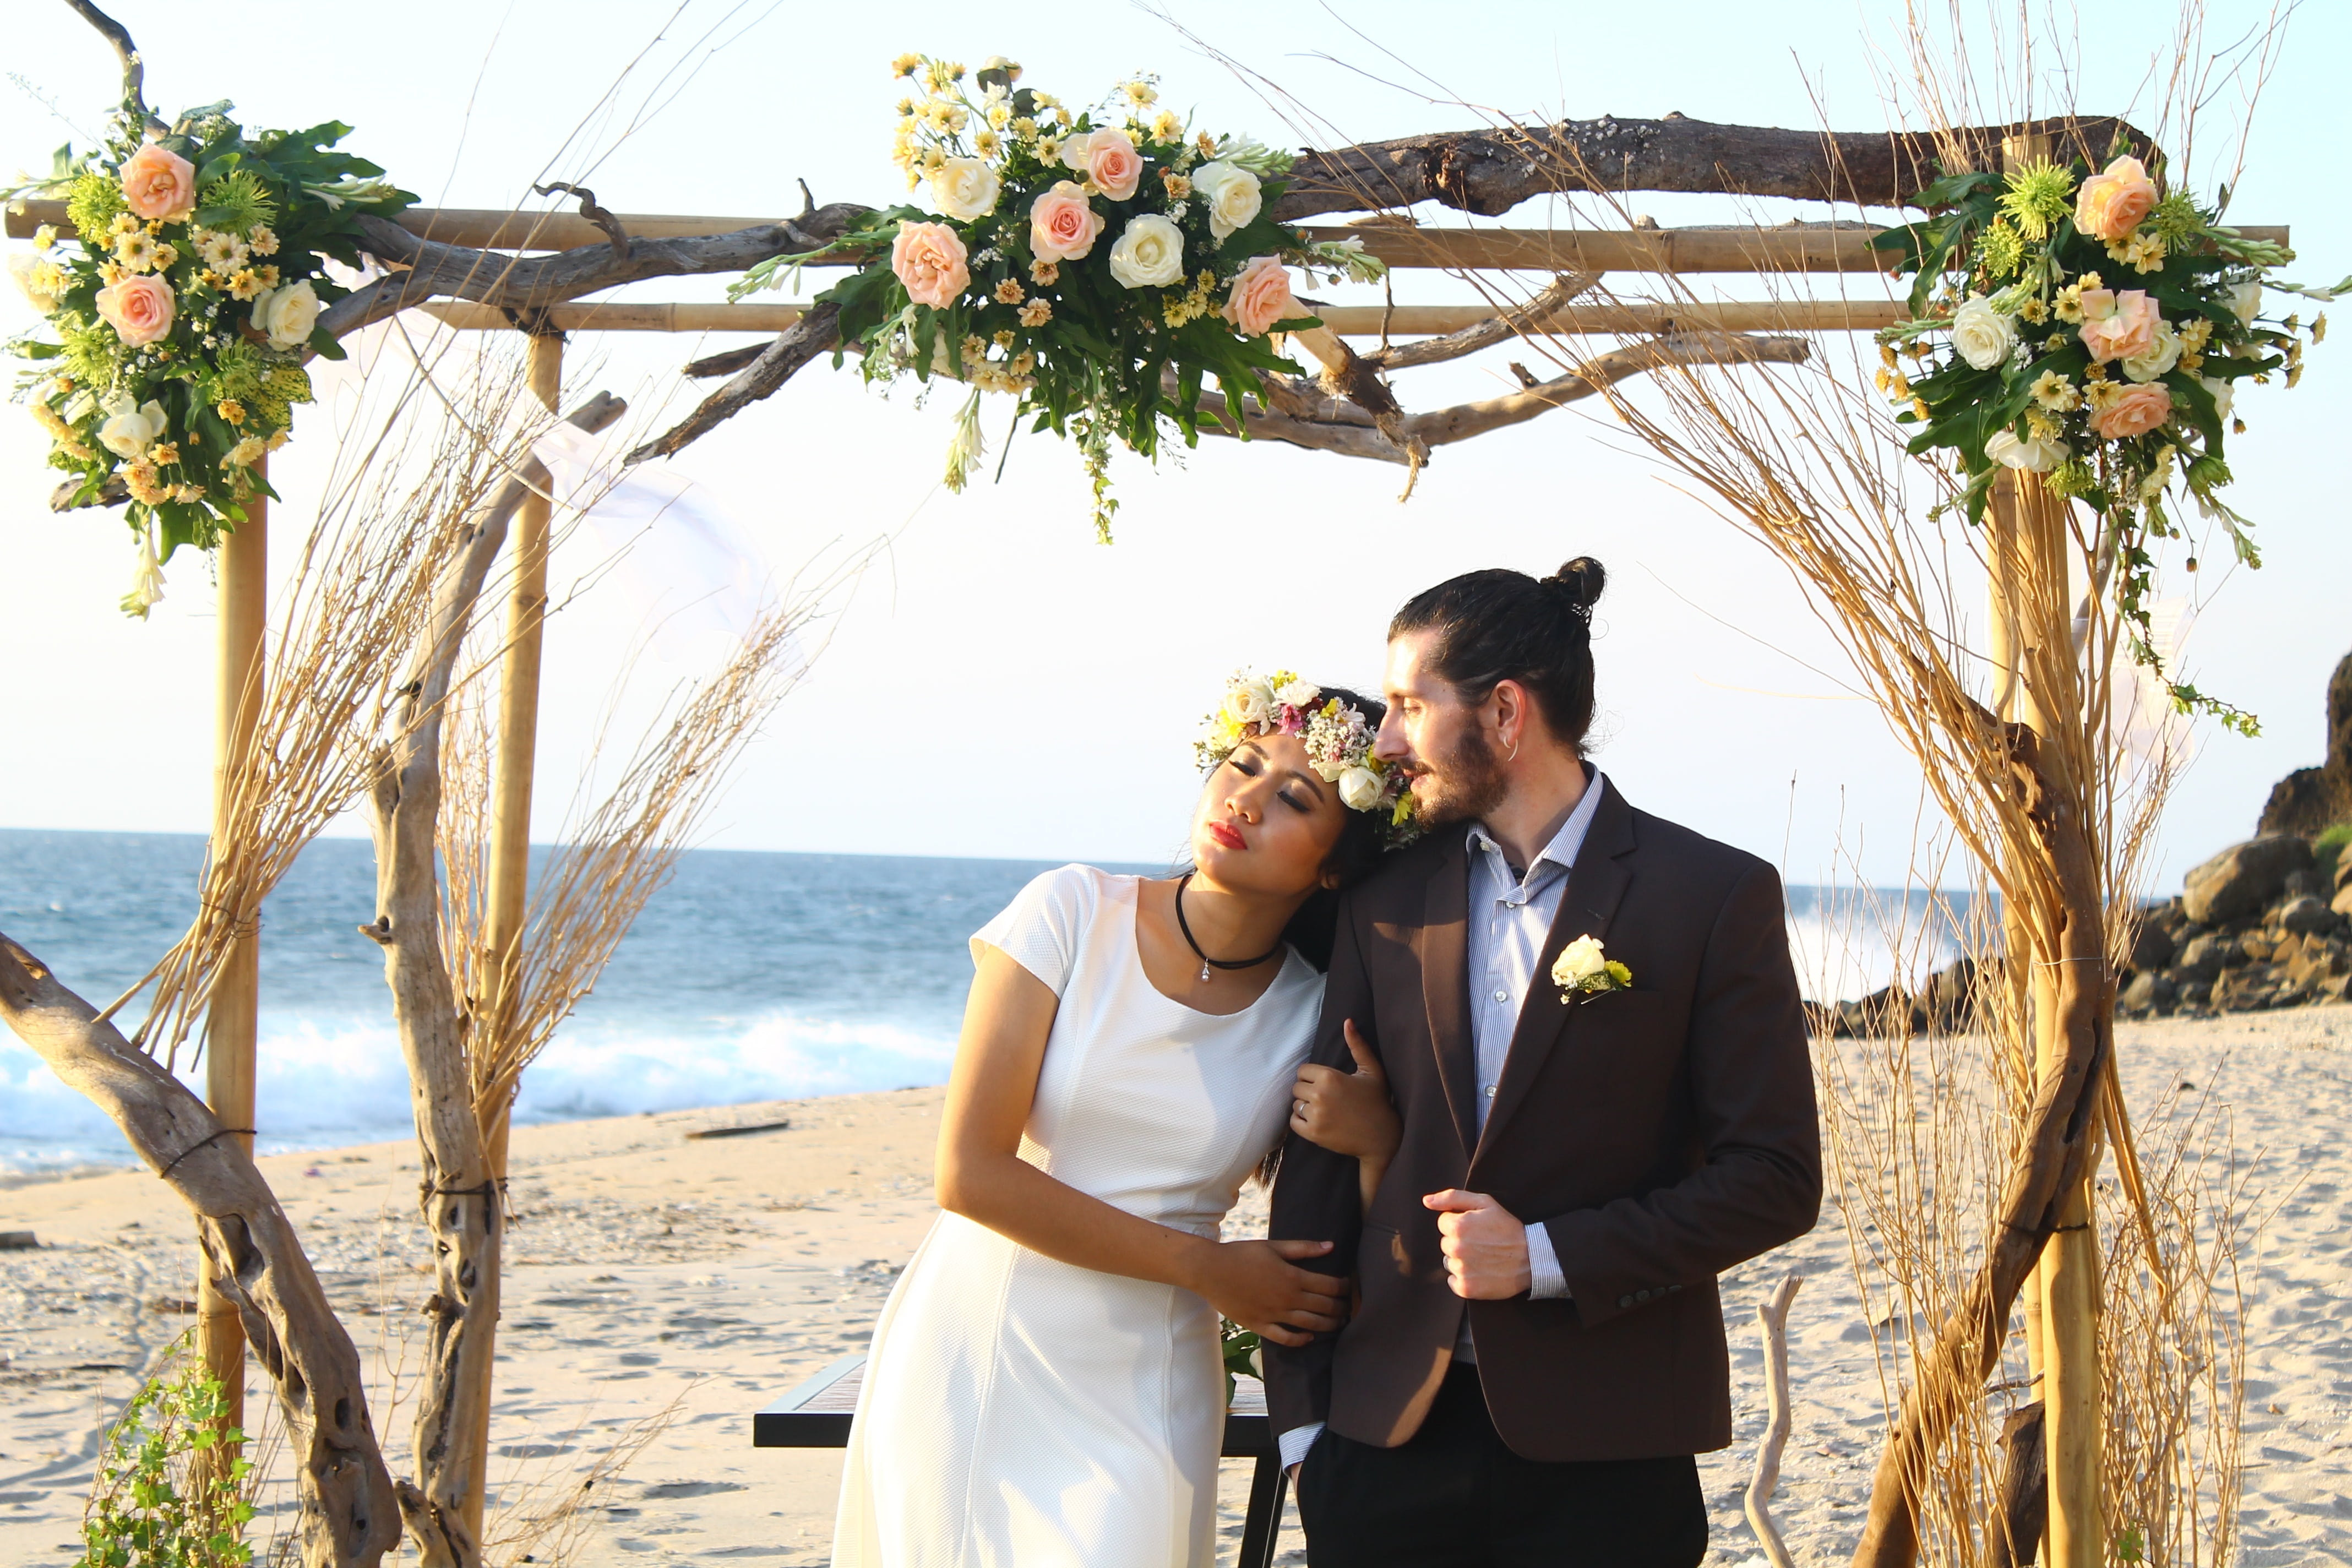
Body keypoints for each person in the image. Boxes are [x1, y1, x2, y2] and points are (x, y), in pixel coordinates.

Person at [1267, 559, 1824, 1568]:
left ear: (1507, 712)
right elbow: (1315, 1178)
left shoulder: (1711, 894)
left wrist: (1546, 1257)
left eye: (1407, 705)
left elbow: (1776, 1182)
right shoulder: (1381, 900)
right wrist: (1307, 1429)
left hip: (1610, 1453)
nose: (1387, 740)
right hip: (1384, 1442)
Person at [830, 672, 1413, 1568]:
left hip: (1151, 1376)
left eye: (1292, 797)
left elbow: (1360, 1230)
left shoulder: (1317, 1016)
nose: (1244, 801)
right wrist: (1208, 1269)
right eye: (1240, 764)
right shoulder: (1069, 911)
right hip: (982, 1337)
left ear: (1336, 863)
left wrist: (1375, 1138)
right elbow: (969, 1174)